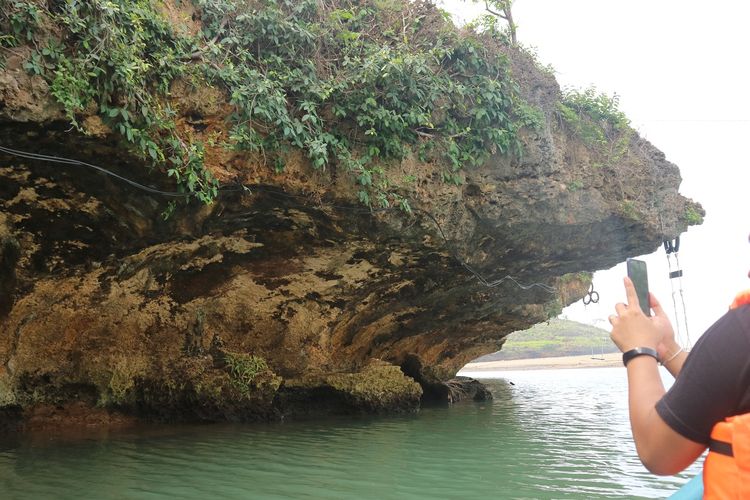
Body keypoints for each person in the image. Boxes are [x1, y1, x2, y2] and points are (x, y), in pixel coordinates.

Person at [608, 242, 750, 496]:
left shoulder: (742, 331)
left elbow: (659, 452)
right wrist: (667, 348)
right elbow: (727, 388)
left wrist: (638, 350)